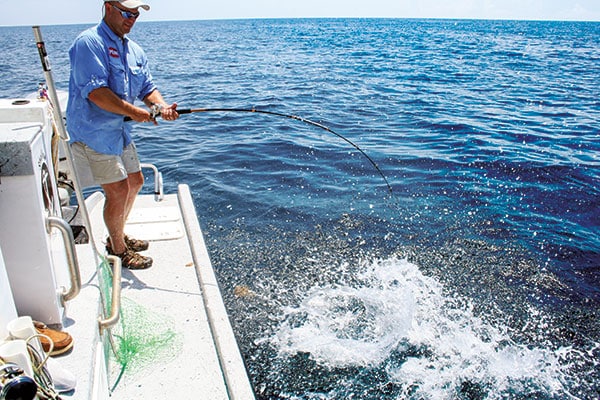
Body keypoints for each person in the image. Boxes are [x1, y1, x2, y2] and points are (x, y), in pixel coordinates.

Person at [67, 0, 179, 269]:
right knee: (117, 190)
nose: (132, 19)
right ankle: (118, 251)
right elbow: (96, 93)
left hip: (119, 132)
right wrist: (139, 113)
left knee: (136, 181)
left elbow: (148, 88)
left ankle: (117, 235)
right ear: (108, 7)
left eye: (135, 14)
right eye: (126, 13)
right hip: (93, 132)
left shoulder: (135, 51)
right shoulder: (88, 43)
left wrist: (159, 107)